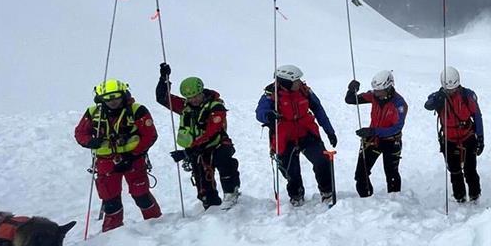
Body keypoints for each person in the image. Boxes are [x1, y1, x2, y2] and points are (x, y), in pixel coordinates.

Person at [74, 79, 162, 231]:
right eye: (108, 98)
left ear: (123, 94)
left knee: (141, 195)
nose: (112, 101)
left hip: (134, 159)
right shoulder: (93, 112)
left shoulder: (136, 110)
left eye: (116, 96)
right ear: (101, 98)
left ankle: (157, 224)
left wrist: (133, 155)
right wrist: (90, 141)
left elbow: (150, 135)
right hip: (105, 161)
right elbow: (80, 133)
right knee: (110, 198)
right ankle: (112, 231)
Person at [156, 63, 241, 210]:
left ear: (202, 92)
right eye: (189, 97)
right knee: (203, 184)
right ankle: (210, 205)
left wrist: (187, 152)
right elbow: (162, 98)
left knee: (225, 163)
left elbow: (211, 132)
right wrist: (164, 79)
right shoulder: (185, 107)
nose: (193, 99)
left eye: (196, 96)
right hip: (196, 150)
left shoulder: (215, 107)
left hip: (217, 144)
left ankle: (231, 193)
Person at [255, 65, 338, 206]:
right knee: (291, 170)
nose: (299, 82)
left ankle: (327, 191)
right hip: (284, 137)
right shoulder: (271, 94)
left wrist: (329, 131)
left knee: (322, 160)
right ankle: (296, 195)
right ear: (286, 82)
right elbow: (260, 112)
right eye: (296, 80)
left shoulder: (304, 91)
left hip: (307, 132)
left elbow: (318, 109)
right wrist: (268, 115)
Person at [425, 67, 484, 204]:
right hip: (449, 140)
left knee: (470, 170)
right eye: (448, 89)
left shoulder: (467, 95)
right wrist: (438, 99)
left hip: (467, 137)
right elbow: (427, 105)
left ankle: (475, 196)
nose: (451, 91)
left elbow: (477, 116)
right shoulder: (439, 96)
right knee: (454, 171)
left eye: (453, 89)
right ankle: (460, 197)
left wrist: (480, 138)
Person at [346, 70, 408, 197]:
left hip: (391, 141)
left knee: (391, 173)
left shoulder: (399, 104)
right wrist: (351, 89)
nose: (376, 93)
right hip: (373, 140)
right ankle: (366, 198)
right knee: (361, 173)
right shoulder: (373, 96)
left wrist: (373, 131)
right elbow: (351, 100)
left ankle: (395, 201)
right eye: (375, 90)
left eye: (380, 90)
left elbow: (397, 128)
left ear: (389, 87)